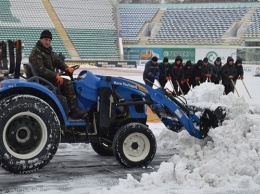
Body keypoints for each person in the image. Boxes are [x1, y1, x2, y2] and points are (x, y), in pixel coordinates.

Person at [29, 30, 88, 119]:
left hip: (47, 77)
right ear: (40, 39)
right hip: (43, 79)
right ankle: (73, 111)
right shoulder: (36, 52)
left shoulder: (47, 51)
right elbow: (41, 70)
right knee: (68, 83)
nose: (48, 42)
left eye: (49, 40)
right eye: (46, 39)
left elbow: (57, 61)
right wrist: (55, 76)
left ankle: (68, 106)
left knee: (69, 80)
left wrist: (66, 68)